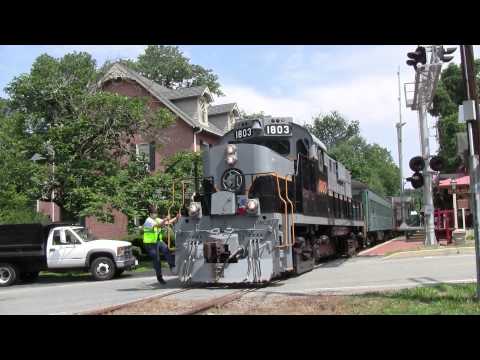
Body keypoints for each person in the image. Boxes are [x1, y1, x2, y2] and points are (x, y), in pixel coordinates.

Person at [142, 210, 179, 284]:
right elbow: (159, 225)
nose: (156, 215)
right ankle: (160, 278)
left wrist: (176, 218)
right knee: (157, 260)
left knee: (167, 250)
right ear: (150, 214)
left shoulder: (157, 219)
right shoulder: (148, 221)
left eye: (156, 213)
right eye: (154, 214)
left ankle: (172, 266)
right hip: (150, 244)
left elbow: (167, 222)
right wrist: (165, 219)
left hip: (158, 241)